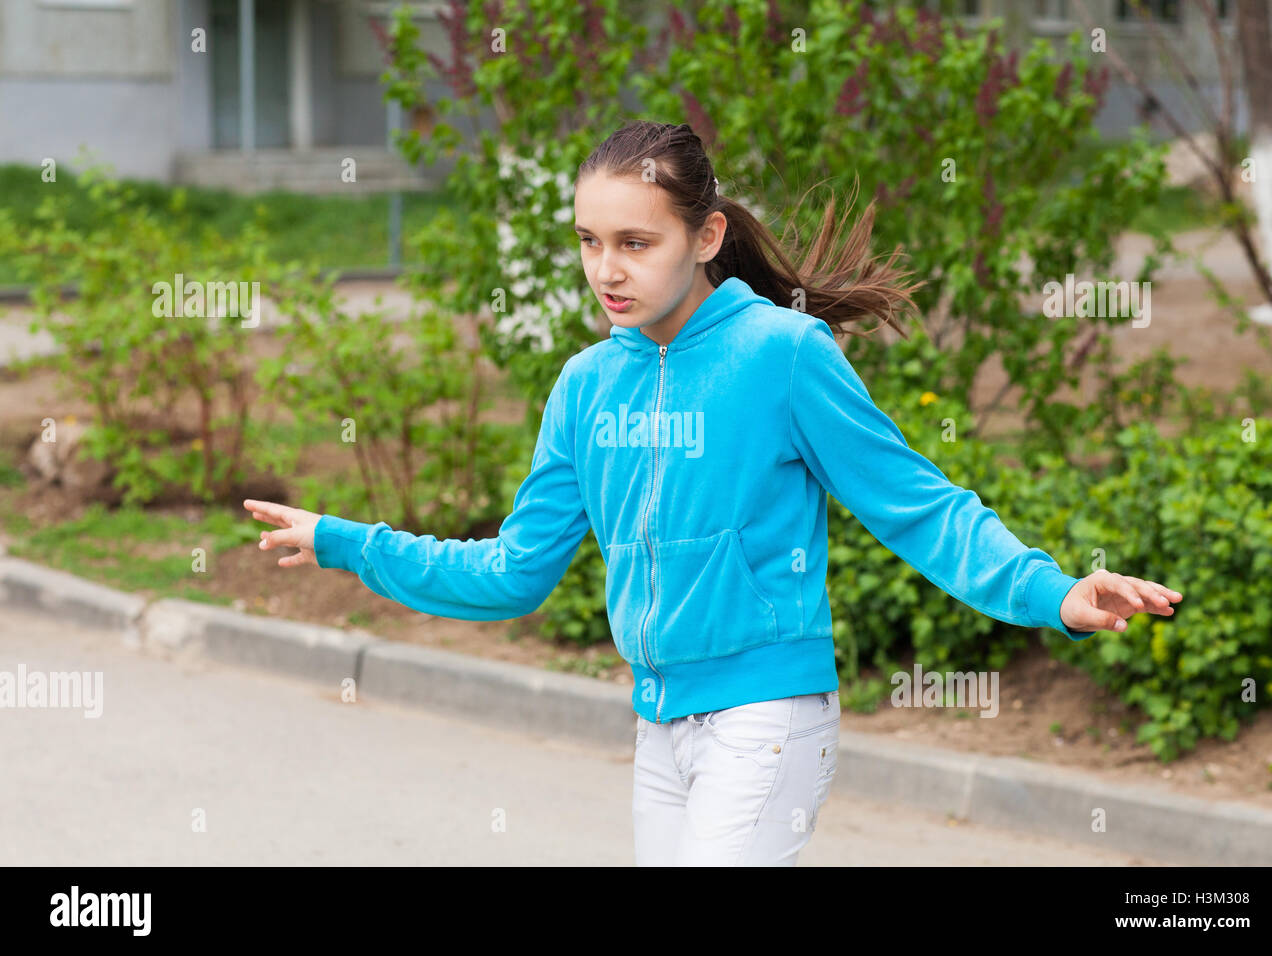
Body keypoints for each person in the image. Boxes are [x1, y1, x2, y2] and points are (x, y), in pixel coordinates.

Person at [244, 120, 1182, 866]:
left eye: (636, 242)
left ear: (707, 236)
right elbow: (512, 572)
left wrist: (1052, 592)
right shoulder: (585, 387)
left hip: (766, 720)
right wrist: (347, 541)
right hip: (660, 727)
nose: (607, 269)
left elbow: (918, 506)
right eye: (590, 242)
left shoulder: (781, 354)